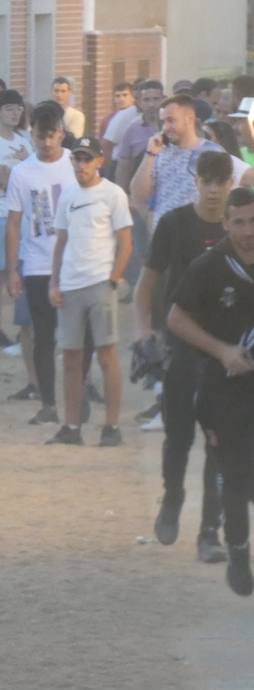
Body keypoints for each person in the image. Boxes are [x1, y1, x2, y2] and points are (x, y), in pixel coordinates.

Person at [143, 151, 234, 560]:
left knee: (220, 443)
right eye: (207, 180)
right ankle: (173, 498)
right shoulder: (174, 224)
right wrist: (143, 331)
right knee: (178, 437)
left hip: (227, 352)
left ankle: (209, 535)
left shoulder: (242, 231)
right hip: (180, 344)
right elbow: (147, 284)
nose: (214, 190)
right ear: (195, 181)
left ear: (231, 184)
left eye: (221, 181)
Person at [165, 187, 254, 596]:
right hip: (224, 390)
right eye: (239, 222)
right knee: (235, 478)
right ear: (226, 224)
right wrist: (223, 351)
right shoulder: (210, 266)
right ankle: (237, 550)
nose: (248, 231)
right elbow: (177, 318)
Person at [44, 135, 132, 445]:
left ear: (98, 161)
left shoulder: (113, 194)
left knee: (106, 355)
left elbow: (125, 241)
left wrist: (113, 279)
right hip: (70, 284)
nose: (81, 164)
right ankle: (71, 426)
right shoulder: (67, 196)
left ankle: (111, 426)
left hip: (98, 283)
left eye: (86, 158)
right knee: (70, 356)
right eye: (77, 158)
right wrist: (54, 282)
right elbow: (61, 242)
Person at [6, 101, 75, 425]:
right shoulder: (22, 172)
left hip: (76, 264)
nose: (45, 143)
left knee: (80, 335)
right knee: (42, 335)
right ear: (31, 135)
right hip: (36, 265)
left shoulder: (77, 165)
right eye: (39, 137)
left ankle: (80, 393)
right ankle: (48, 401)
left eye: (50, 136)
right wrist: (11, 270)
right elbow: (13, 222)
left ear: (61, 133)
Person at [0, 89, 33, 350]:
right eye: (9, 108)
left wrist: (17, 170)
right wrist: (22, 170)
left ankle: (22, 328)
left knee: (22, 269)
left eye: (18, 108)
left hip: (24, 214)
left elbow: (26, 177)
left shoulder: (25, 139)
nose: (15, 113)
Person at [131, 94, 236, 225]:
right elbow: (139, 196)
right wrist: (150, 155)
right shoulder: (158, 152)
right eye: (163, 122)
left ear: (189, 119)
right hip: (165, 235)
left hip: (198, 233)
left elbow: (226, 195)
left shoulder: (212, 152)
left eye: (171, 120)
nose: (165, 127)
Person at [100, 81, 138, 165]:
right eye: (118, 96)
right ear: (114, 99)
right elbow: (105, 144)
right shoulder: (107, 120)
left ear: (133, 97)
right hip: (116, 161)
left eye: (125, 95)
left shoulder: (135, 113)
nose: (121, 99)